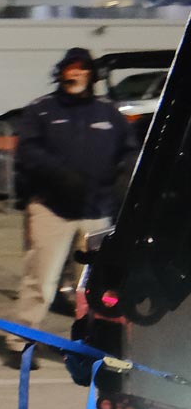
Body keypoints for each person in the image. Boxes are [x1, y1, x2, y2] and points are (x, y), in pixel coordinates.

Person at [7, 46, 140, 357]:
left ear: (91, 74)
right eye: (71, 68)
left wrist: (122, 174)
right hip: (51, 209)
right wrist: (60, 175)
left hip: (96, 212)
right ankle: (21, 343)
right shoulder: (42, 110)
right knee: (39, 282)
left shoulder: (108, 113)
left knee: (93, 288)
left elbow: (131, 150)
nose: (76, 73)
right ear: (61, 72)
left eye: (82, 68)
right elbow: (27, 152)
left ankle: (86, 343)